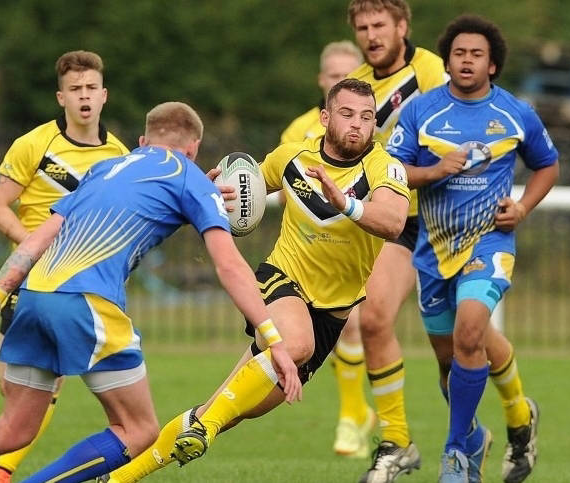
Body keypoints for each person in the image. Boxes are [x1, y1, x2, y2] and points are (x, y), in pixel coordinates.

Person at [0, 101, 301, 482]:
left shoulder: (104, 169)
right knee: (139, 430)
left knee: (13, 429)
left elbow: (35, 241)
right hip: (86, 302)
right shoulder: (188, 177)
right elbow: (230, 267)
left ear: (143, 141)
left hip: (34, 295)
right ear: (193, 148)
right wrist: (274, 340)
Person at [100, 78, 411, 483]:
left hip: (332, 312)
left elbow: (393, 221)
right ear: (325, 118)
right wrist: (213, 192)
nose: (357, 124)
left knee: (226, 411)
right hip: (282, 280)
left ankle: (120, 478)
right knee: (296, 344)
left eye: (367, 117)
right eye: (347, 114)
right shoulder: (292, 157)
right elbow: (244, 190)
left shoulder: (386, 167)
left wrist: (346, 204)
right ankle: (205, 429)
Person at [347, 3, 540, 482]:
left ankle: (513, 416)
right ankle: (397, 440)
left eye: (379, 25)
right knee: (376, 320)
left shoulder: (435, 70)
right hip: (398, 220)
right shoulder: (357, 83)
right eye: (362, 27)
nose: (371, 35)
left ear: (402, 27)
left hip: (450, 221)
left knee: (471, 333)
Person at [0, 50, 130, 483]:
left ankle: (1, 475)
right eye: (75, 89)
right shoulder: (35, 144)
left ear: (104, 95)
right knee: (12, 390)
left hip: (82, 288)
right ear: (61, 97)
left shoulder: (118, 156)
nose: (84, 96)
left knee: (46, 390)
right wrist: (35, 246)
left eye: (91, 88)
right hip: (28, 281)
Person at [281, 40, 377, 459]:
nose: (343, 80)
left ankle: (352, 417)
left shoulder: (369, 134)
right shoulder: (297, 132)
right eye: (336, 76)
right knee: (311, 336)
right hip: (308, 251)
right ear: (323, 82)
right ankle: (355, 414)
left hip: (357, 245)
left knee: (353, 326)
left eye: (350, 74)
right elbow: (280, 187)